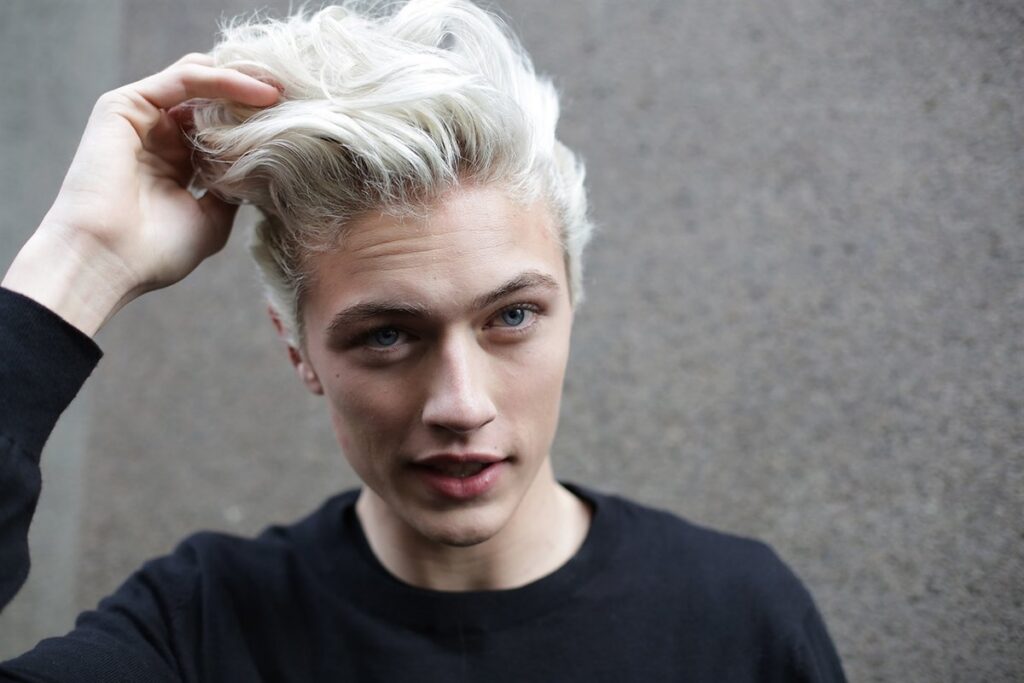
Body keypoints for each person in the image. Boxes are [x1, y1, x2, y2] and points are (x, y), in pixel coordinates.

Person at [0, 1, 847, 680]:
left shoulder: (739, 613)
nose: (461, 405)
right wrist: (78, 263)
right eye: (387, 334)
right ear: (298, 351)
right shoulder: (202, 628)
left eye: (512, 316)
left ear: (573, 304)